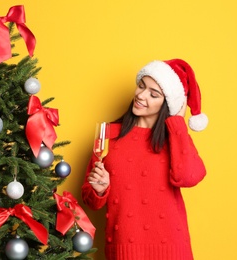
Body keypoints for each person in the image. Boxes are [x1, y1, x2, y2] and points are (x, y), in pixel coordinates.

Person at [81, 58, 208, 260]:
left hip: (173, 250)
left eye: (153, 94)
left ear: (166, 103)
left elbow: (189, 177)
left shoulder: (174, 139)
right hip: (124, 250)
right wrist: (99, 189)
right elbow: (90, 199)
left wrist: (177, 123)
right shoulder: (108, 135)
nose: (141, 95)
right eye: (141, 86)